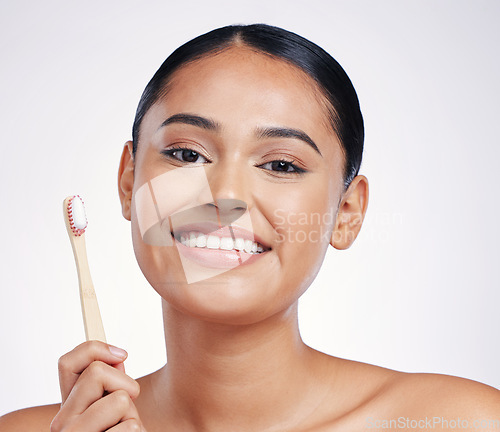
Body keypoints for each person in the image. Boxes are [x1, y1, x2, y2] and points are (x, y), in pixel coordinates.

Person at [1, 24, 499, 432]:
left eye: (281, 165)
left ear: (347, 212)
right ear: (130, 181)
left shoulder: (458, 422)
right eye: (186, 154)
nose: (224, 197)